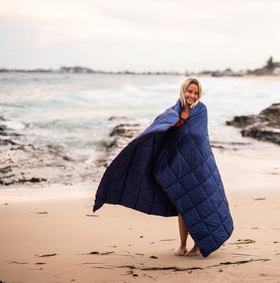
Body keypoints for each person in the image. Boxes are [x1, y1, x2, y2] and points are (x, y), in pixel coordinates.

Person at [93, 78, 233, 258]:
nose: (192, 95)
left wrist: (179, 129)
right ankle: (182, 244)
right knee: (183, 206)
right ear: (183, 91)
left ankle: (198, 245)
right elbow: (159, 128)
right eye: (189, 92)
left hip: (199, 164)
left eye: (196, 93)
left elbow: (197, 135)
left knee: (201, 202)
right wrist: (168, 128)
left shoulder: (201, 110)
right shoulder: (173, 111)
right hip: (180, 166)